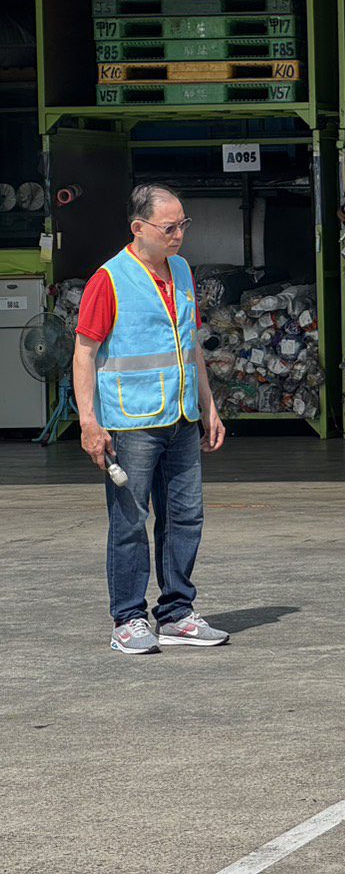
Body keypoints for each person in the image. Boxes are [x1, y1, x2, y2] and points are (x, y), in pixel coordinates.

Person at [72, 184, 229, 654]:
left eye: (184, 224)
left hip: (180, 416)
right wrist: (88, 422)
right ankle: (127, 619)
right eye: (169, 227)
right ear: (138, 228)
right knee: (130, 521)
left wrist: (208, 404)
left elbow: (190, 343)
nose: (179, 234)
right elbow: (85, 352)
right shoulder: (110, 279)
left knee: (184, 517)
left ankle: (177, 613)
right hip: (131, 421)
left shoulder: (180, 271)